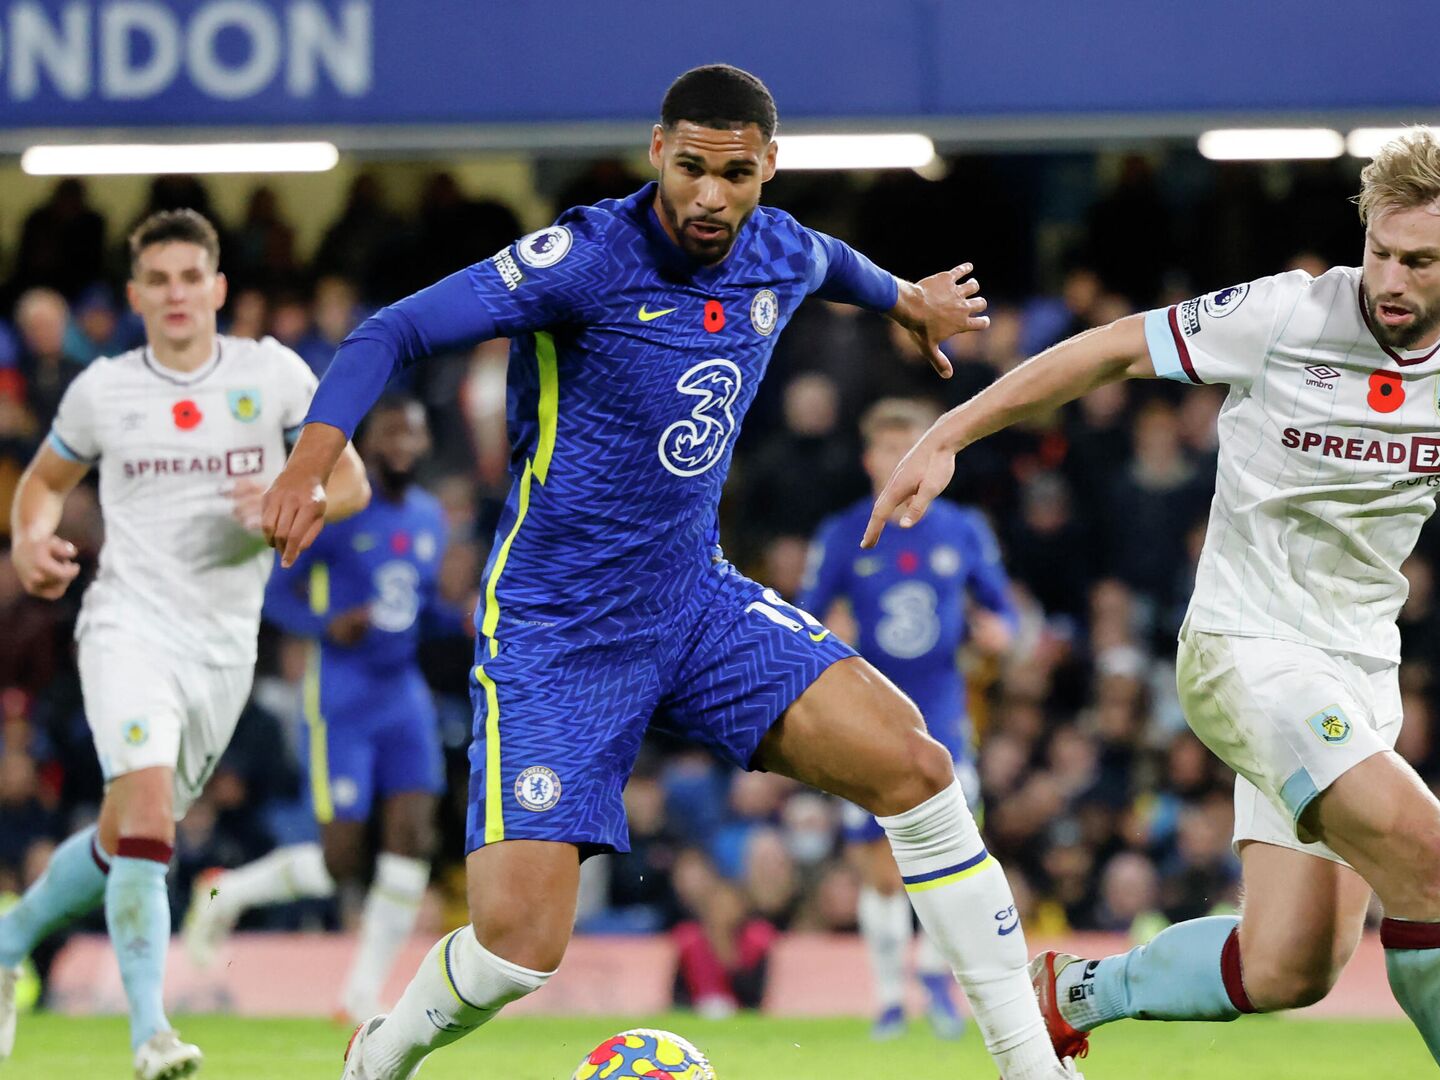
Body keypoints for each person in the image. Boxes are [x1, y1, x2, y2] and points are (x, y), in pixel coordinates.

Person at [865, 127, 1440, 1080]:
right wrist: (953, 431)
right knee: (1424, 843)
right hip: (1244, 646)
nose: (1391, 280)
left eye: (1420, 262)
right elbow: (1113, 352)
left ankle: (1066, 995)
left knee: (1290, 966)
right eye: (1380, 252)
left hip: (1357, 666)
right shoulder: (1284, 312)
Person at [257, 65, 1077, 1080]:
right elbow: (394, 331)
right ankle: (380, 1055)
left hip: (694, 600)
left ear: (767, 167)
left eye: (734, 173)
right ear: (658, 151)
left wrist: (904, 300)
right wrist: (307, 462)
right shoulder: (581, 260)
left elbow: (825, 260)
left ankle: (1033, 1065)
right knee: (518, 950)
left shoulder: (775, 245)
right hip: (556, 628)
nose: (708, 195)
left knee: (917, 768)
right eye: (689, 167)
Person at [0, 209, 368, 1079]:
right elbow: (42, 487)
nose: (174, 294)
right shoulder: (104, 389)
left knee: (130, 832)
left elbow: (345, 484)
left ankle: (11, 935)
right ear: (135, 295)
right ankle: (151, 1033)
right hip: (126, 625)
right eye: (157, 281)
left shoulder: (272, 375)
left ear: (218, 290)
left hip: (222, 650)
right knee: (151, 814)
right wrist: (27, 542)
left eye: (189, 278)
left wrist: (291, 499)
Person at [181, 396, 450, 1024]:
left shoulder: (431, 516)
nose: (405, 445)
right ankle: (224, 892)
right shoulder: (337, 509)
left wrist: (457, 616)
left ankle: (359, 995)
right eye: (392, 434)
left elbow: (417, 604)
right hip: (343, 698)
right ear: (371, 444)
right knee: (340, 859)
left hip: (403, 693)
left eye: (415, 433)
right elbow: (276, 596)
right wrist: (329, 624)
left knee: (413, 836)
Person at [800, 397, 1018, 1041]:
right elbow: (805, 617)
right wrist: (823, 633)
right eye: (888, 450)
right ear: (870, 459)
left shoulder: (963, 529)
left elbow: (1003, 610)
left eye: (910, 449)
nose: (899, 462)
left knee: (950, 850)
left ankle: (933, 980)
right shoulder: (843, 532)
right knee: (877, 863)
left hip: (945, 715)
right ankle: (890, 997)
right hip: (866, 714)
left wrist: (999, 631)